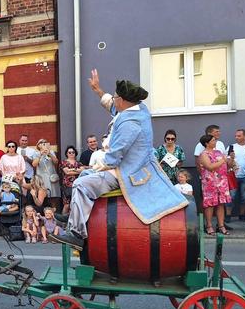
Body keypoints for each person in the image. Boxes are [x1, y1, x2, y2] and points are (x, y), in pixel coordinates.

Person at [50, 70, 188, 248]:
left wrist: (90, 168)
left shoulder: (130, 124)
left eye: (115, 97)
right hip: (129, 166)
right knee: (84, 178)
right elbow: (113, 107)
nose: (114, 100)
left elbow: (113, 158)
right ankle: (74, 218)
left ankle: (76, 234)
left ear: (122, 100)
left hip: (127, 172)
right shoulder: (138, 110)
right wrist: (98, 90)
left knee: (81, 184)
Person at [198, 134, 232, 236]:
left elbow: (226, 165)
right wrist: (223, 160)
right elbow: (210, 167)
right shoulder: (204, 154)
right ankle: (209, 225)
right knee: (210, 204)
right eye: (213, 140)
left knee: (221, 203)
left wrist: (230, 161)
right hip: (210, 182)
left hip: (221, 181)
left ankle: (221, 225)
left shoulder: (218, 152)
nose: (215, 141)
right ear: (207, 143)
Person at [227, 129, 245, 222]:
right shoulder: (231, 147)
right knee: (231, 196)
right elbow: (228, 163)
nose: (236, 137)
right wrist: (231, 158)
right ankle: (228, 215)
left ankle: (242, 215)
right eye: (236, 136)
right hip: (233, 176)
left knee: (244, 197)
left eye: (239, 136)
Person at [32, 139, 61, 209]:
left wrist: (49, 154)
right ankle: (43, 213)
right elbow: (34, 164)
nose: (43, 144)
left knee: (53, 196)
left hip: (51, 177)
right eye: (41, 143)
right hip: (41, 178)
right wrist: (40, 154)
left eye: (45, 142)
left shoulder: (51, 152)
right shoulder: (36, 153)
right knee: (42, 196)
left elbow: (56, 162)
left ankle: (53, 213)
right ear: (38, 145)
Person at [60, 145, 83, 214]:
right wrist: (76, 170)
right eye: (69, 152)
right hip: (67, 186)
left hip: (77, 185)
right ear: (66, 154)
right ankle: (63, 221)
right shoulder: (63, 162)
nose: (71, 154)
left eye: (73, 152)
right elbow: (66, 172)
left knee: (75, 204)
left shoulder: (78, 163)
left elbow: (82, 171)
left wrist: (71, 170)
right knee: (67, 205)